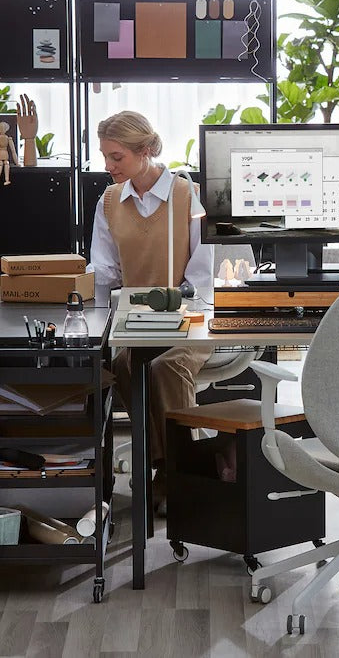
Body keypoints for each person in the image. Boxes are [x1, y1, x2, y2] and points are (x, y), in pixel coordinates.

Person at [88, 111, 214, 515]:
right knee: (126, 365)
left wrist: (178, 303)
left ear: (144, 152)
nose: (108, 166)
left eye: (117, 157)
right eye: (105, 156)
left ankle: (179, 471)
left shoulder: (186, 196)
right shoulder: (109, 202)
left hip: (190, 320)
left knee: (166, 368)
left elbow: (202, 274)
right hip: (135, 321)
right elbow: (104, 274)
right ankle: (167, 466)